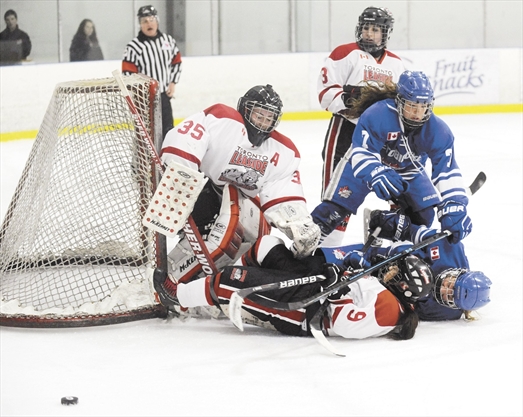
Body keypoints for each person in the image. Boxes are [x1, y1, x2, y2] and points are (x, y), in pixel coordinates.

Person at [154, 84, 321, 298]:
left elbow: (283, 190)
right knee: (221, 237)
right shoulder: (223, 121)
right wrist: (181, 174)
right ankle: (172, 280)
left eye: (268, 118)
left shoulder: (283, 152)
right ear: (244, 108)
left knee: (251, 248)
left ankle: (216, 285)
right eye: (258, 114)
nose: (262, 122)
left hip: (244, 206)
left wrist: (299, 224)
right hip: (200, 193)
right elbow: (187, 137)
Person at [155, 234, 427, 341]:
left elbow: (343, 324)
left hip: (305, 312)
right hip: (314, 285)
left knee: (230, 280)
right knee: (267, 246)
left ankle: (177, 297)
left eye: (397, 271)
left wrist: (338, 292)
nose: (392, 269)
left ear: (404, 287)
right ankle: (221, 300)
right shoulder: (390, 295)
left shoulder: (389, 309)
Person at [311, 70, 473, 246]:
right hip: (368, 165)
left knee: (423, 215)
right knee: (334, 209)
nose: (418, 113)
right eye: (412, 106)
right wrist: (375, 171)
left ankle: (382, 228)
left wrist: (455, 204)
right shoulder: (378, 114)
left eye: (423, 106)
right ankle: (302, 247)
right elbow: (362, 152)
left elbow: (447, 171)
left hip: (407, 169)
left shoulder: (438, 131)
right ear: (399, 102)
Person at [317, 6, 405, 244]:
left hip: (381, 136)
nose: (369, 33)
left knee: (393, 185)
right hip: (347, 129)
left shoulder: (397, 64)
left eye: (375, 29)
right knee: (337, 192)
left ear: (385, 33)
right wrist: (353, 97)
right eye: (366, 27)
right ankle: (328, 248)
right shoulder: (345, 53)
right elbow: (325, 94)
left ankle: (382, 232)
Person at [334, 209, 492, 321]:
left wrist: (368, 274)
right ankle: (396, 212)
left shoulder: (440, 312)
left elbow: (396, 304)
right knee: (424, 209)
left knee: (337, 270)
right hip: (393, 253)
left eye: (448, 296)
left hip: (386, 279)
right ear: (459, 273)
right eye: (450, 284)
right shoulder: (452, 248)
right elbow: (414, 232)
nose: (443, 288)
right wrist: (395, 225)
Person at [122, 5, 182, 140]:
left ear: (157, 21)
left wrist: (172, 83)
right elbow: (127, 73)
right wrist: (137, 94)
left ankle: (166, 159)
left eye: (151, 19)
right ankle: (145, 161)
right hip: (144, 100)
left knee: (168, 131)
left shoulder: (168, 41)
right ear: (140, 24)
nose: (149, 23)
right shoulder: (133, 47)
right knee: (147, 137)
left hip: (164, 97)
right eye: (144, 21)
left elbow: (176, 62)